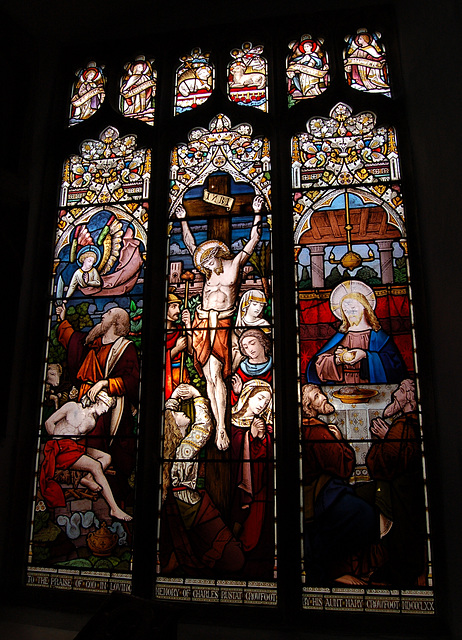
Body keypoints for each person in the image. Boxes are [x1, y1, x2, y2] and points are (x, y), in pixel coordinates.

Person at [176, 195, 264, 450]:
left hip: (223, 324)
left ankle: (222, 427)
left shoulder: (234, 266)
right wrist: (183, 221)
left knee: (217, 378)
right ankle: (218, 425)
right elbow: (190, 244)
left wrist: (257, 214)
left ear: (215, 254)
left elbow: (253, 241)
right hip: (203, 323)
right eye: (202, 263)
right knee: (209, 379)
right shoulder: (207, 271)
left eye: (207, 261)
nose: (204, 266)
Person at [55, 303, 140, 496]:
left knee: (102, 445)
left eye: (108, 313)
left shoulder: (125, 349)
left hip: (108, 407)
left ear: (116, 322)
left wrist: (104, 384)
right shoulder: (93, 342)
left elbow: (132, 380)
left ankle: (96, 480)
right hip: (84, 402)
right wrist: (62, 320)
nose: (104, 314)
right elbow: (73, 342)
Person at [160, 383, 244, 576]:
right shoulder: (184, 450)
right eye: (178, 413)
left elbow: (168, 412)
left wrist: (174, 396)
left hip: (182, 501)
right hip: (192, 505)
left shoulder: (169, 448)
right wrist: (197, 395)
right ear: (174, 425)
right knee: (228, 553)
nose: (181, 411)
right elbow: (204, 427)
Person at [301, 383, 377, 585]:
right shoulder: (317, 432)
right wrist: (339, 440)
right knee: (366, 514)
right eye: (317, 396)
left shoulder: (312, 429)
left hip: (320, 491)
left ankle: (348, 569)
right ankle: (336, 572)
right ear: (309, 407)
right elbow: (344, 467)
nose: (324, 397)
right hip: (319, 496)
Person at [364, 379, 427, 585]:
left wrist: (385, 437)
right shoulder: (403, 424)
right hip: (399, 490)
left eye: (400, 390)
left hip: (402, 493)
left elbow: (389, 463)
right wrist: (386, 437)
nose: (395, 394)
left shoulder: (406, 426)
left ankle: (400, 570)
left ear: (409, 398)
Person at [39, 391, 132, 521]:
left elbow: (77, 440)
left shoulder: (92, 422)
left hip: (72, 448)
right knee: (95, 466)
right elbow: (49, 423)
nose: (106, 410)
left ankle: (87, 478)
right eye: (106, 405)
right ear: (97, 401)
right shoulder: (72, 406)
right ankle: (114, 509)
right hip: (59, 448)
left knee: (106, 457)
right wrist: (56, 441)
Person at [306, 280, 407, 385]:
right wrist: (337, 360)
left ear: (364, 307)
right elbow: (316, 366)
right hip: (343, 388)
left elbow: (396, 368)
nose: (349, 312)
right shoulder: (340, 337)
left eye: (353, 308)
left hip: (372, 388)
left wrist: (365, 355)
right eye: (345, 310)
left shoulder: (379, 337)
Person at [230, 380, 273, 560]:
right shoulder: (230, 419)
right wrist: (249, 436)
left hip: (259, 485)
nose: (263, 404)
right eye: (261, 398)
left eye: (267, 402)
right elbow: (229, 450)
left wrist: (262, 437)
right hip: (234, 482)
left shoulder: (265, 424)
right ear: (248, 396)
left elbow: (268, 455)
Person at [231, 328, 272, 405]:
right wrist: (237, 393)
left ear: (262, 342)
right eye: (245, 347)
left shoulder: (273, 367)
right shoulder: (242, 370)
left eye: (252, 343)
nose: (250, 349)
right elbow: (232, 403)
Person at [165, 287, 191, 398]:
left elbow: (191, 351)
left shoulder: (181, 329)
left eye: (179, 306)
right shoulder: (157, 333)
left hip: (182, 374)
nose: (179, 311)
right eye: (174, 306)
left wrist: (188, 326)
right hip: (166, 377)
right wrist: (177, 349)